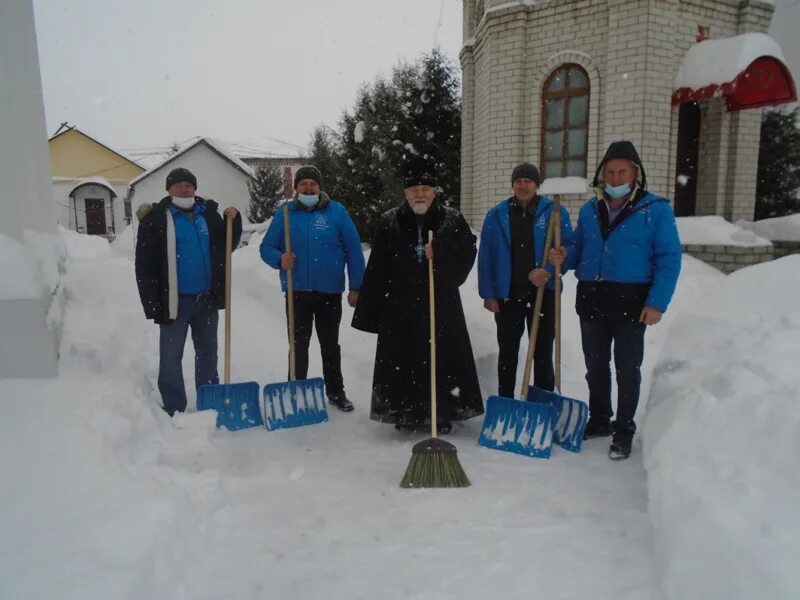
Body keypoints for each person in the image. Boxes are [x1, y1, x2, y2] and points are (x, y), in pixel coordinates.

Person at [550, 141, 681, 460]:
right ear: (602, 174)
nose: (616, 176)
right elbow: (578, 248)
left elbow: (669, 258)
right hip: (592, 297)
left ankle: (623, 429)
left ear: (635, 174)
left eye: (622, 170)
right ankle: (599, 418)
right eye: (610, 171)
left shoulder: (656, 209)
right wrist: (563, 257)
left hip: (631, 300)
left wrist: (657, 303)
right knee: (595, 365)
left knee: (627, 367)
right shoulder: (590, 209)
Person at [352, 156, 484, 433]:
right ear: (406, 193)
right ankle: (406, 412)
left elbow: (467, 255)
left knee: (441, 359)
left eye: (425, 189)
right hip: (401, 307)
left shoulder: (451, 219)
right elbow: (378, 266)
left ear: (434, 192)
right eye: (414, 189)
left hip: (441, 306)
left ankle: (442, 412)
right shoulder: (390, 221)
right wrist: (370, 309)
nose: (420, 194)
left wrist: (442, 255)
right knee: (403, 359)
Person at [135, 167, 243, 416]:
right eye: (179, 185)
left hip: (206, 299)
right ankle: (174, 405)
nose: (185, 189)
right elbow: (145, 265)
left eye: (189, 185)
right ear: (169, 189)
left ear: (195, 188)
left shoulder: (209, 216)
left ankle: (209, 399)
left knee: (208, 354)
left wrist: (233, 221)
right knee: (171, 357)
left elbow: (227, 246)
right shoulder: (156, 219)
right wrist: (152, 303)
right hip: (174, 301)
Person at [260, 166, 365, 412]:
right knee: (298, 345)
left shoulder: (336, 212)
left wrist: (356, 286)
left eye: (313, 184)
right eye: (304, 184)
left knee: (330, 344)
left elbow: (354, 250)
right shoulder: (285, 213)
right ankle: (295, 390)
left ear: (320, 187)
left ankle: (336, 391)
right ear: (296, 188)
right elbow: (266, 248)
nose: (308, 188)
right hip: (297, 292)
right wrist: (279, 259)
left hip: (329, 292)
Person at [478, 163, 573, 399]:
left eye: (528, 181)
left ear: (537, 185)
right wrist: (488, 293)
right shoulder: (496, 215)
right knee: (507, 353)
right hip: (508, 295)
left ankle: (542, 403)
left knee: (542, 353)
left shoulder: (555, 213)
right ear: (512, 185)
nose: (523, 185)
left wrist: (549, 270)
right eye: (518, 181)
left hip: (544, 293)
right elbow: (486, 256)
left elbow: (568, 250)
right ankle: (506, 401)